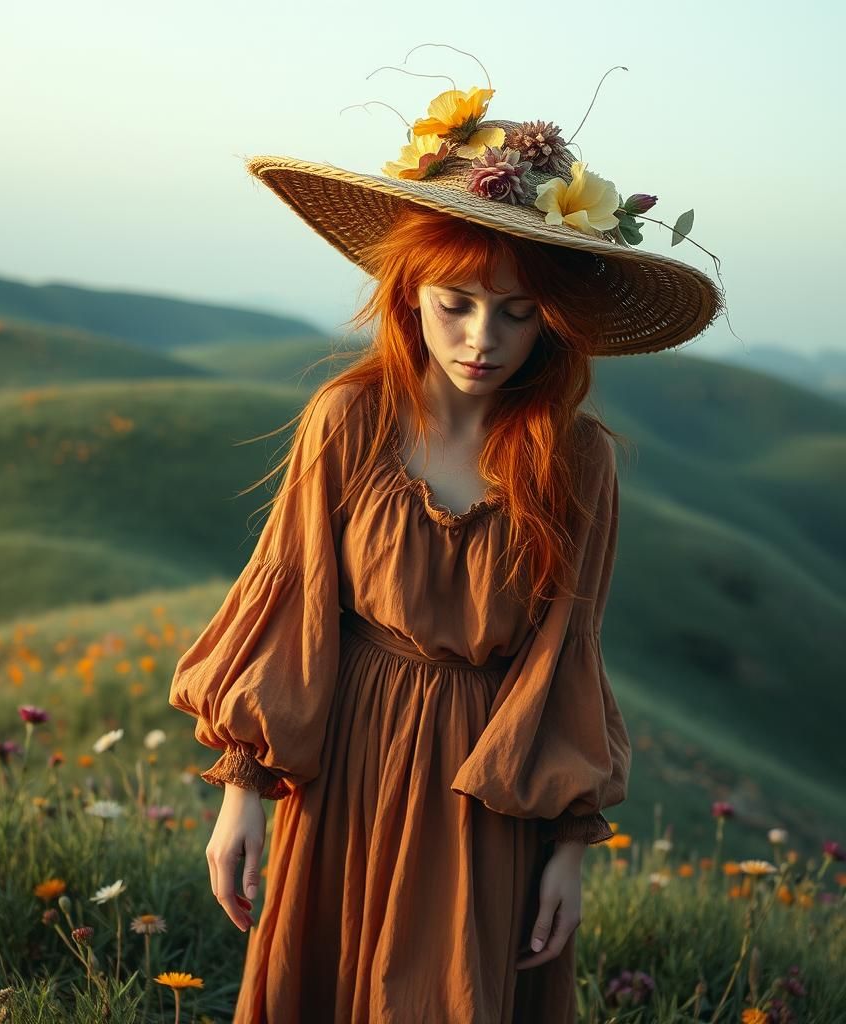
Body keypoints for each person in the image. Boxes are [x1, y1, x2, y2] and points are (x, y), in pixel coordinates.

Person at [169, 71, 725, 1023]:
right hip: (344, 772)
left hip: (486, 800)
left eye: (518, 314)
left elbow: (565, 659)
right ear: (410, 292)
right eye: (457, 303)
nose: (483, 339)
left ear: (552, 322)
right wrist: (242, 795)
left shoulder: (578, 460)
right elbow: (291, 603)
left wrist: (568, 849)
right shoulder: (348, 420)